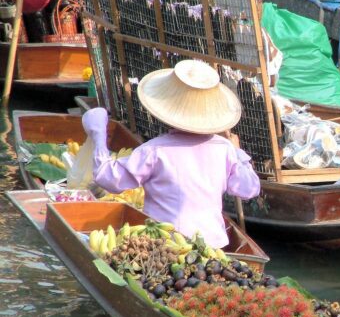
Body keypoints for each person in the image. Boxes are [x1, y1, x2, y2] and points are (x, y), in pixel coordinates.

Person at [81, 60, 261, 249]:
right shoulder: (225, 148)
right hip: (215, 245)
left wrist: (98, 133)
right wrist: (239, 154)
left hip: (166, 246)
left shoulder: (154, 151)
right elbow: (248, 189)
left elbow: (108, 178)